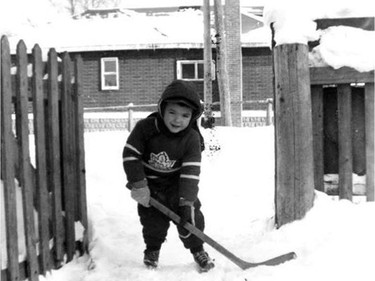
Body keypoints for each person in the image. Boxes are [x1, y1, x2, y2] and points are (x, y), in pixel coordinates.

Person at [122, 80, 214, 272]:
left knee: (191, 217)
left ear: (192, 117)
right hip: (150, 186)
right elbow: (131, 154)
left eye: (185, 115)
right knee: (152, 221)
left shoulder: (191, 138)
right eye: (172, 112)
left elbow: (190, 173)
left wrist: (186, 202)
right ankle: (152, 250)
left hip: (176, 186)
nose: (177, 120)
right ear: (162, 108)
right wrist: (139, 184)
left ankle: (197, 249)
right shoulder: (146, 128)